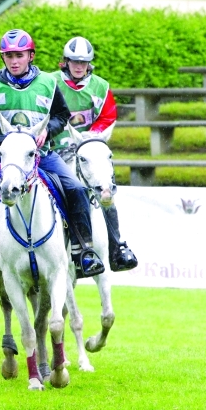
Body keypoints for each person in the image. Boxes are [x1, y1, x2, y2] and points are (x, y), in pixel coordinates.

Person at [0, 29, 105, 290]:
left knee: (76, 189)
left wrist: (47, 131)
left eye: (19, 55)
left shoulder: (48, 84)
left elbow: (61, 115)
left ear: (31, 56)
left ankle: (83, 252)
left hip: (43, 156)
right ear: (3, 57)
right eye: (9, 56)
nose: (14, 61)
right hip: (2, 160)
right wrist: (7, 145)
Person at [50, 36, 138, 273]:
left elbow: (108, 116)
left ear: (89, 63)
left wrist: (91, 136)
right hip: (56, 151)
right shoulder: (50, 83)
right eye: (74, 61)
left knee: (106, 193)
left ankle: (117, 248)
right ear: (66, 61)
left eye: (84, 62)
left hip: (88, 149)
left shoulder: (101, 87)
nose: (79, 66)